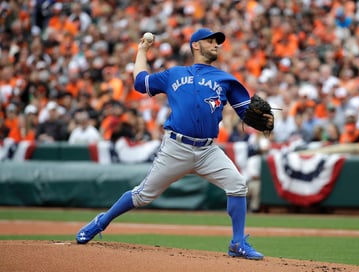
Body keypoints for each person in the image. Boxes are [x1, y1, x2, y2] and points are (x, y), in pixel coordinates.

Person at [76, 28, 274, 260]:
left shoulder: (226, 80)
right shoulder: (174, 74)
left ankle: (237, 243)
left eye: (217, 42)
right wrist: (142, 50)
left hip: (208, 151)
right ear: (195, 45)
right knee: (142, 196)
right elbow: (140, 82)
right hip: (176, 148)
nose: (216, 45)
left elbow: (246, 113)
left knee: (238, 185)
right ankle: (102, 221)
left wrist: (263, 122)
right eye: (210, 41)